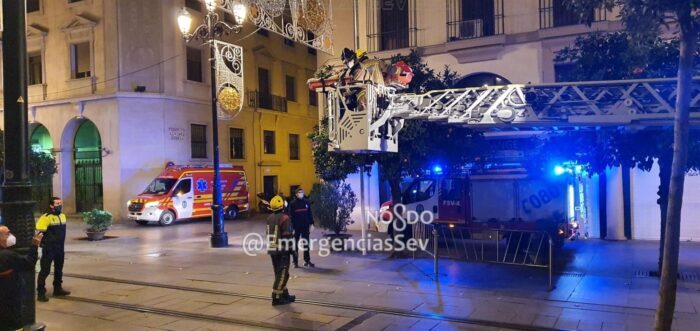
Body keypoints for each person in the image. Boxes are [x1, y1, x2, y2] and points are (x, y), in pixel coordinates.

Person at [0, 226, 43, 329]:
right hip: (9, 298)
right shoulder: (8, 256)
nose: (11, 236)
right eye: (7, 233)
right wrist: (35, 245)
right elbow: (29, 263)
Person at [36, 197, 71, 302]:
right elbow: (39, 231)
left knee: (59, 269)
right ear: (51, 205)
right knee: (45, 270)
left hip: (60, 247)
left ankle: (57, 288)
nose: (59, 205)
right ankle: (41, 292)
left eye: (60, 203)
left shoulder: (63, 216)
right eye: (57, 203)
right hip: (49, 248)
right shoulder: (46, 217)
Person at [266, 195, 295, 306]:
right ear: (282, 205)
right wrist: (293, 250)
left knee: (279, 273)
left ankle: (284, 294)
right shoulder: (285, 218)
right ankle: (277, 297)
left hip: (273, 249)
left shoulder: (269, 218)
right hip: (282, 250)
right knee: (283, 273)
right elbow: (288, 235)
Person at [289, 188, 315, 268]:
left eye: (302, 192)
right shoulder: (292, 204)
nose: (301, 193)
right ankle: (295, 262)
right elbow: (290, 217)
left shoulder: (306, 202)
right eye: (299, 192)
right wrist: (291, 228)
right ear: (296, 194)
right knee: (295, 244)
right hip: (296, 227)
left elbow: (309, 213)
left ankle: (307, 261)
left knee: (306, 243)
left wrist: (311, 224)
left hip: (305, 226)